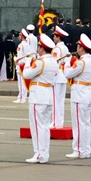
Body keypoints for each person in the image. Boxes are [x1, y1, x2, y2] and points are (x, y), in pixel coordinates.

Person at [23, 33, 57, 164]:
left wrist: (27, 62)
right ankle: (44, 153)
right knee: (44, 127)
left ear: (42, 48)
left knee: (37, 127)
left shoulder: (40, 62)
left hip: (38, 96)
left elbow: (26, 74)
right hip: (47, 94)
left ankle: (39, 153)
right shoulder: (53, 61)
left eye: (39, 47)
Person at [64, 33, 91, 160]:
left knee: (78, 124)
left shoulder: (81, 62)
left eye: (78, 46)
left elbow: (68, 74)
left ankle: (78, 149)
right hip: (87, 93)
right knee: (86, 124)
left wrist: (67, 63)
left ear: (82, 48)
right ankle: (86, 149)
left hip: (79, 94)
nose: (77, 48)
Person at [50, 26, 70, 128]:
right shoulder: (65, 47)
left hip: (57, 75)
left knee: (55, 100)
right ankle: (59, 122)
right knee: (60, 101)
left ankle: (54, 122)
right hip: (63, 75)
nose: (53, 38)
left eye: (55, 36)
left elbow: (54, 62)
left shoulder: (57, 48)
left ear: (58, 37)